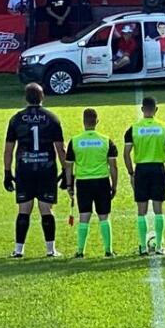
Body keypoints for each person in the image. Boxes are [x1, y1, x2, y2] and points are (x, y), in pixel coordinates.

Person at [4, 83, 66, 258]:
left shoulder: (16, 119)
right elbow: (61, 149)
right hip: (46, 169)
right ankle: (50, 249)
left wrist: (7, 173)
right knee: (46, 208)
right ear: (42, 97)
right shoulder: (52, 118)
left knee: (24, 209)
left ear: (26, 98)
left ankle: (18, 250)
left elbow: (8, 149)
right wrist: (67, 172)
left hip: (25, 169)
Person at [122, 95, 165, 257]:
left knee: (141, 210)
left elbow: (126, 153)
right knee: (158, 209)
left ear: (142, 109)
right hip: (158, 168)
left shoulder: (133, 128)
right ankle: (159, 246)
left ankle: (142, 247)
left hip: (141, 170)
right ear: (156, 110)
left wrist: (131, 172)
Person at [64, 109, 118, 258]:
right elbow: (113, 166)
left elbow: (69, 166)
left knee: (84, 216)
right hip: (102, 182)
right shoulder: (106, 140)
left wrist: (69, 185)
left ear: (83, 121)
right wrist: (114, 185)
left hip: (83, 183)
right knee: (103, 216)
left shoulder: (75, 141)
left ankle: (80, 251)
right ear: (97, 121)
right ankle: (108, 250)